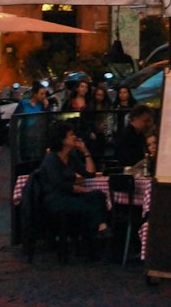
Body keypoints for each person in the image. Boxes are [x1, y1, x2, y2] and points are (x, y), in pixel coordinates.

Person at [37, 120, 106, 257]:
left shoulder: (71, 157)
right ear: (62, 139)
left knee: (98, 195)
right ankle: (95, 237)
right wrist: (85, 190)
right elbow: (61, 186)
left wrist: (85, 151)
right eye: (71, 135)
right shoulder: (51, 160)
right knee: (89, 206)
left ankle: (99, 228)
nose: (74, 137)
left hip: (70, 195)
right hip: (56, 199)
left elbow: (90, 173)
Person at [117, 105, 157, 170]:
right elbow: (128, 160)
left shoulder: (140, 135)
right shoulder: (126, 136)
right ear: (136, 118)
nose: (148, 124)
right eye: (145, 121)